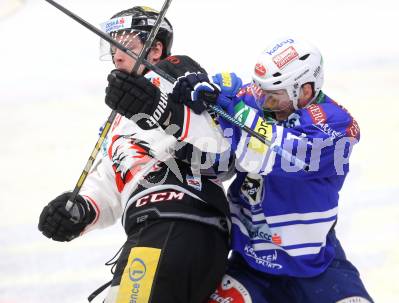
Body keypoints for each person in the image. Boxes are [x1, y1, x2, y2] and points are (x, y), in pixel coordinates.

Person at [38, 6, 231, 303]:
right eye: (111, 45)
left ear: (155, 48)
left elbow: (219, 145)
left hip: (174, 220)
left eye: (126, 44)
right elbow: (113, 178)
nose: (116, 54)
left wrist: (165, 105)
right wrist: (82, 209)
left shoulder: (174, 77)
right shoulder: (118, 116)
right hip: (154, 230)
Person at [171, 37, 373, 302]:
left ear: (305, 90)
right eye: (260, 89)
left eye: (273, 96)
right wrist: (196, 95)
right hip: (251, 266)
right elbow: (218, 148)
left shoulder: (335, 124)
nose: (263, 100)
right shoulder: (253, 101)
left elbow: (276, 153)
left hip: (316, 266)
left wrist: (231, 108)